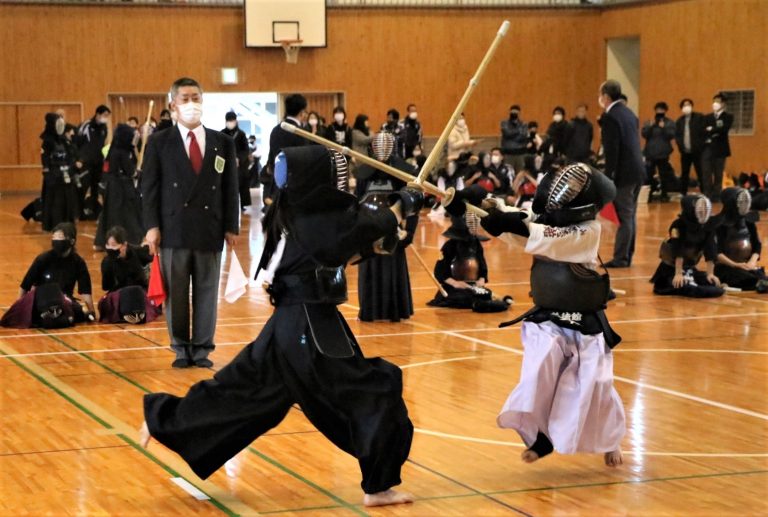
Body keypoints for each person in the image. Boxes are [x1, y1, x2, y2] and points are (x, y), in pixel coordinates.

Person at [140, 145, 418, 508]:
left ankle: (163, 421)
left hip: (287, 326)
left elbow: (344, 249)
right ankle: (379, 486)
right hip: (311, 327)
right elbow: (372, 223)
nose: (344, 180)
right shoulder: (317, 219)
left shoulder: (290, 212)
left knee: (242, 391)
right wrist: (405, 202)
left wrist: (392, 223)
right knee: (374, 391)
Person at [451, 162, 625, 467]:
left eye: (573, 189)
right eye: (563, 187)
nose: (565, 192)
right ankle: (540, 439)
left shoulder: (588, 231)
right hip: (548, 320)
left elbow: (538, 233)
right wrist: (472, 203)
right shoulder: (545, 220)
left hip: (585, 321)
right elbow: (518, 223)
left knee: (595, 385)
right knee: (537, 375)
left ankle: (612, 440)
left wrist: (505, 221)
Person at [141, 77, 240, 368]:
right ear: (173, 104)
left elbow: (230, 187)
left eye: (195, 97)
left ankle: (202, 348)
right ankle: (181, 347)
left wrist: (231, 226)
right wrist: (151, 226)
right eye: (184, 98)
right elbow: (149, 187)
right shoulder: (160, 142)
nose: (191, 104)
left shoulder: (223, 142)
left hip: (210, 227)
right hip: (174, 228)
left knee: (207, 292)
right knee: (177, 293)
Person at [356, 132, 417, 322]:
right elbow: (357, 200)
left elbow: (412, 201)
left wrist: (409, 230)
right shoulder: (363, 173)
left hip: (393, 227)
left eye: (386, 146)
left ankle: (395, 311)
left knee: (392, 269)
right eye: (378, 146)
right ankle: (370, 310)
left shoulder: (401, 172)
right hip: (369, 226)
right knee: (370, 267)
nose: (382, 150)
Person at [1, 222, 95, 328]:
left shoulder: (78, 262)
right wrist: (18, 308)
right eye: (54, 237)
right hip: (42, 299)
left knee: (78, 311)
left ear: (72, 241)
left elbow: (85, 290)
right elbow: (25, 285)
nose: (56, 240)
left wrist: (91, 311)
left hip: (65, 300)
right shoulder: (43, 259)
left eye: (60, 237)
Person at [598, 80, 645, 268]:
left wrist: (609, 177)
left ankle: (621, 257)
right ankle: (627, 255)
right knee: (630, 215)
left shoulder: (610, 117)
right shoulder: (629, 113)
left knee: (625, 216)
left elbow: (612, 150)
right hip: (637, 171)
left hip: (624, 173)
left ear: (606, 96)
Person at [427, 211, 511, 312]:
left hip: (473, 286)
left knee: (485, 294)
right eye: (469, 223)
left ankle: (487, 304)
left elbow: (482, 266)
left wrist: (481, 279)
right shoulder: (450, 246)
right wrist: (455, 283)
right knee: (462, 298)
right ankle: (481, 304)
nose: (473, 225)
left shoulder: (476, 244)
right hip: (454, 288)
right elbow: (440, 271)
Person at [650, 194, 724, 298]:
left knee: (714, 286)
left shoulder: (708, 226)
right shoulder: (678, 225)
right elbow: (678, 250)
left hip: (690, 268)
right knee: (687, 287)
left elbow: (710, 250)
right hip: (672, 269)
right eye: (700, 209)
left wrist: (710, 274)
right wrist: (678, 274)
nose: (703, 212)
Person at [94, 124, 144, 248]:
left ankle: (104, 241)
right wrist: (138, 172)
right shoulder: (121, 152)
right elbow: (130, 171)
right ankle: (131, 239)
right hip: (122, 188)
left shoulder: (114, 149)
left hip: (113, 188)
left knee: (111, 214)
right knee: (127, 214)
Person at [99, 226, 161, 324]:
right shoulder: (107, 261)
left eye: (114, 245)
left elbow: (154, 254)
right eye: (108, 245)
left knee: (136, 292)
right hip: (120, 294)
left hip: (140, 293)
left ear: (124, 245)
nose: (111, 248)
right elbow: (106, 286)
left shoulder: (136, 252)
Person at [712, 188, 766, 292]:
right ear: (731, 203)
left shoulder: (749, 221)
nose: (745, 205)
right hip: (726, 268)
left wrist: (751, 262)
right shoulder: (720, 224)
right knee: (752, 281)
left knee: (762, 278)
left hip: (745, 266)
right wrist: (736, 265)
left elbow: (757, 245)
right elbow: (716, 253)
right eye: (741, 202)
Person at [263, 94, 309, 209]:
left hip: (276, 181)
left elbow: (271, 156)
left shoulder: (276, 130)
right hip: (294, 184)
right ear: (302, 112)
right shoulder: (300, 132)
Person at [40, 113, 79, 232]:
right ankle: (54, 224)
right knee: (55, 201)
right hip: (53, 176)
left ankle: (67, 223)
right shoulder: (47, 141)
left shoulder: (63, 140)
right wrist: (49, 172)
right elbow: (45, 159)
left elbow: (69, 154)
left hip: (65, 173)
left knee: (67, 198)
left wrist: (70, 167)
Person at [76, 104, 111, 220]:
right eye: (105, 115)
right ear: (98, 114)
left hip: (98, 162)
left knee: (96, 189)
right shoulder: (85, 125)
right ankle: (79, 213)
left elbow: (102, 144)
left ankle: (95, 212)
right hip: (85, 163)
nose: (106, 118)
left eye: (107, 116)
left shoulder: (104, 128)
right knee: (83, 187)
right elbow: (77, 142)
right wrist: (80, 159)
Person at [700, 93, 734, 202]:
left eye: (718, 101)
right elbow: (703, 131)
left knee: (718, 173)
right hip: (708, 148)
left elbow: (723, 130)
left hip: (720, 149)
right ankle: (707, 194)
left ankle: (716, 195)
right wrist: (712, 130)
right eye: (714, 101)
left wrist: (712, 129)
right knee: (706, 172)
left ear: (723, 104)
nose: (715, 103)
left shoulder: (728, 117)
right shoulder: (707, 117)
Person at [641, 102, 677, 201]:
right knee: (649, 174)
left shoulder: (669, 122)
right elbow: (644, 134)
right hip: (650, 153)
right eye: (658, 110)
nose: (660, 112)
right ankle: (650, 192)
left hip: (663, 153)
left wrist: (663, 127)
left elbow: (671, 135)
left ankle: (664, 194)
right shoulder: (650, 122)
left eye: (662, 110)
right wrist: (651, 126)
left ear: (665, 111)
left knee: (663, 174)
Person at [674, 98, 706, 195]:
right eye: (684, 105)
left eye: (688, 104)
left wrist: (700, 146)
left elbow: (703, 133)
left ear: (692, 106)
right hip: (685, 152)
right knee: (685, 173)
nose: (686, 107)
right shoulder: (679, 121)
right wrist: (681, 147)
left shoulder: (699, 117)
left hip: (697, 151)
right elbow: (677, 135)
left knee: (700, 172)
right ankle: (683, 193)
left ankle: (704, 192)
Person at [221, 111, 252, 210]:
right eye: (228, 121)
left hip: (240, 164)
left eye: (232, 120)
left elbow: (246, 149)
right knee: (227, 185)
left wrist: (239, 158)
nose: (230, 122)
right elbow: (220, 148)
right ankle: (228, 204)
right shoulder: (222, 133)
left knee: (242, 184)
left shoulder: (241, 134)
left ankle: (243, 205)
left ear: (236, 121)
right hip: (227, 163)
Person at [500, 104, 528, 173]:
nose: (514, 113)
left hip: (520, 153)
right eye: (513, 112)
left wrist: (512, 135)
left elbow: (523, 137)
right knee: (508, 174)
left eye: (516, 112)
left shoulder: (524, 124)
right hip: (508, 153)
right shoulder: (504, 123)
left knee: (520, 174)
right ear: (510, 112)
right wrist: (518, 130)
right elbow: (507, 133)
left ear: (519, 113)